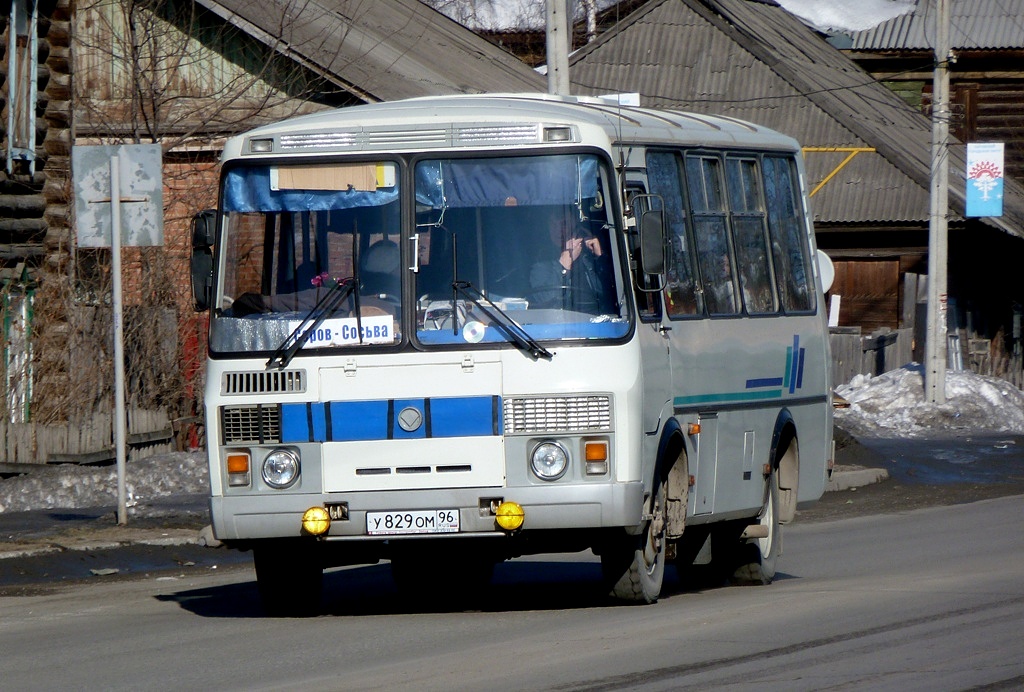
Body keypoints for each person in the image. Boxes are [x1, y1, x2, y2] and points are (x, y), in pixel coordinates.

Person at [529, 212, 612, 313]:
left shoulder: (588, 257)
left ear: (575, 226)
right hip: (562, 322)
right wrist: (563, 266)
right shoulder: (541, 261)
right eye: (553, 224)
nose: (558, 230)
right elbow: (544, 300)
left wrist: (600, 258)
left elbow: (612, 295)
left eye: (563, 224)